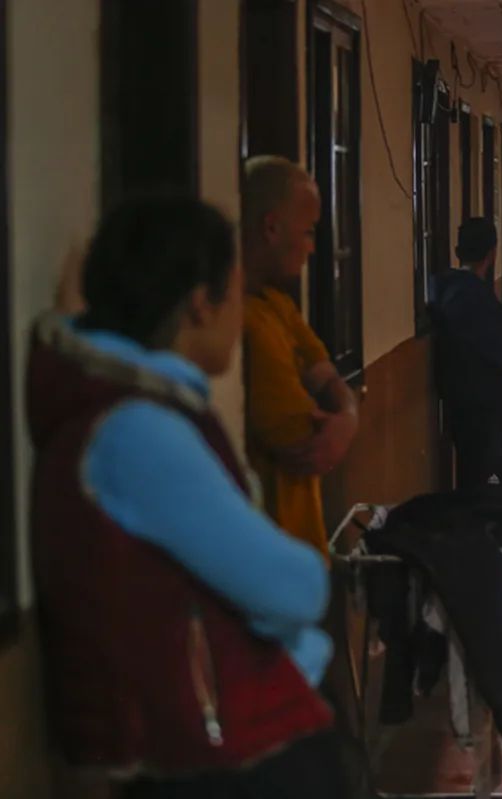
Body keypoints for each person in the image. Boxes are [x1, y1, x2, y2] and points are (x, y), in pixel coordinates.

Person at [27, 195, 341, 797]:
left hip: (207, 736)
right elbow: (294, 587)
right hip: (218, 750)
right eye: (233, 294)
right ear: (202, 302)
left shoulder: (130, 411)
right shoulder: (138, 431)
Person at [242, 156, 359, 558]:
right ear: (272, 227)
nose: (312, 247)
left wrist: (346, 416)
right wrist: (344, 419)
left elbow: (325, 375)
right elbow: (306, 439)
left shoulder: (275, 304)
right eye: (308, 232)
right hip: (268, 549)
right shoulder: (249, 321)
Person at [431, 218, 502, 494]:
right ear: (492, 254)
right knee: (486, 474)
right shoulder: (478, 298)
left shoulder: (440, 286)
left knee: (471, 471)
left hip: (455, 396)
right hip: (484, 402)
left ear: (458, 252)